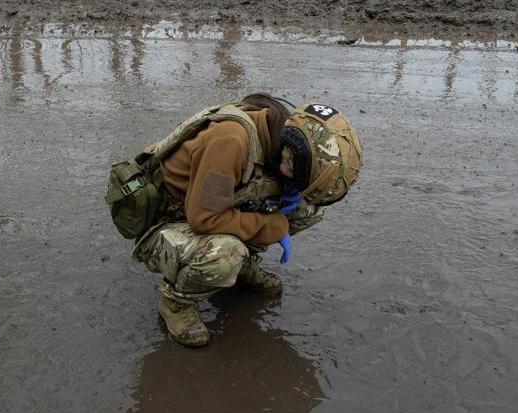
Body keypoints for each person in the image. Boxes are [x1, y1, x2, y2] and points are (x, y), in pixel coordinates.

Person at [131, 93, 363, 347]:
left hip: (207, 207)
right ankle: (176, 303)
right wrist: (272, 225)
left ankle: (243, 267)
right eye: (294, 172)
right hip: (166, 220)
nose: (295, 181)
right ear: (293, 148)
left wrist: (288, 193)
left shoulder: (279, 137)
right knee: (226, 255)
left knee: (308, 209)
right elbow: (204, 219)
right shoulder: (232, 140)